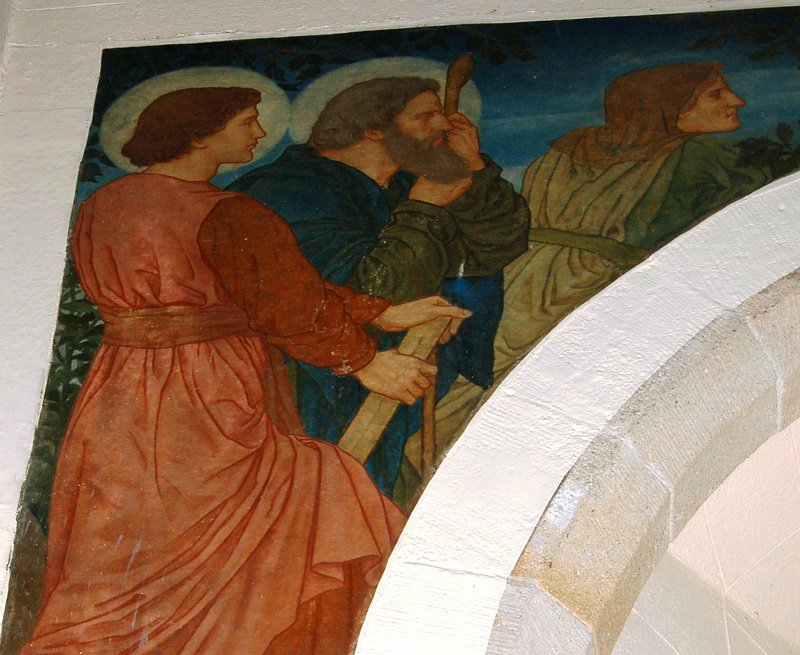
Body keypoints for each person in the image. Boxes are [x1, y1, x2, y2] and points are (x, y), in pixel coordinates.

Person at [22, 86, 469, 655]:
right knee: (306, 493)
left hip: (122, 388)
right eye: (247, 122)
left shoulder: (104, 204)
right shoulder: (228, 210)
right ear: (202, 132)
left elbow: (273, 287)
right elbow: (281, 302)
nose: (259, 134)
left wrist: (380, 310)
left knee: (135, 524)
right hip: (207, 390)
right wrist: (364, 362)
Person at [424, 62, 773, 455]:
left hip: (521, 282)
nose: (737, 100)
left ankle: (432, 459)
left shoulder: (567, 150)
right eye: (716, 94)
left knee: (482, 388)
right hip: (591, 287)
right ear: (665, 108)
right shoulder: (700, 156)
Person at [229, 77, 530, 495]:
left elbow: (493, 248)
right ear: (371, 128)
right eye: (426, 116)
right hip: (310, 385)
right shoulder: (293, 190)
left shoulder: (406, 186)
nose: (445, 124)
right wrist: (423, 210)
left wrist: (474, 169)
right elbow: (369, 289)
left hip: (391, 376)